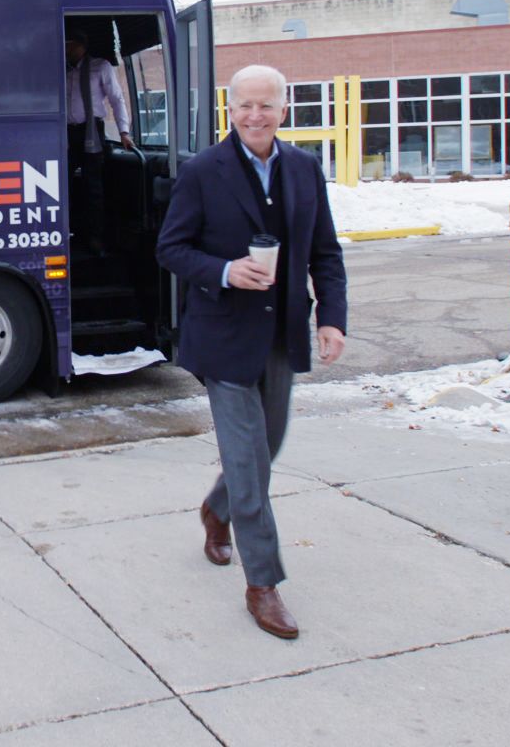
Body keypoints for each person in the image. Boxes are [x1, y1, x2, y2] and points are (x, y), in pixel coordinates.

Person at [155, 64, 347, 640]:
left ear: (284, 110)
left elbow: (326, 253)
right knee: (247, 460)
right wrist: (224, 271)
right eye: (244, 106)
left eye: (266, 106)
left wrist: (332, 318)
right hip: (222, 336)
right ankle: (263, 584)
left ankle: (217, 510)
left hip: (280, 335)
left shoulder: (306, 170)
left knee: (268, 446)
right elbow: (171, 248)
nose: (255, 116)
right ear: (229, 110)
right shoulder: (202, 172)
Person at [64, 27, 133, 254]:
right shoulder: (61, 69)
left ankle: (94, 237)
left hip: (91, 130)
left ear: (81, 46)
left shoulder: (100, 66)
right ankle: (67, 232)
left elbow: (116, 98)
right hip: (65, 132)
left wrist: (124, 131)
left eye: (69, 44)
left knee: (93, 185)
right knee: (63, 184)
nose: (66, 48)